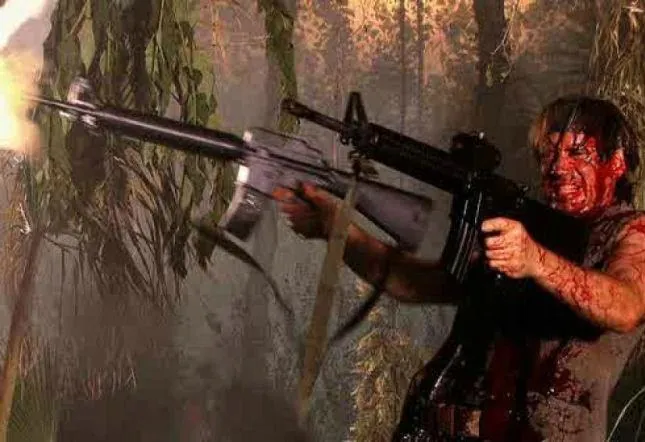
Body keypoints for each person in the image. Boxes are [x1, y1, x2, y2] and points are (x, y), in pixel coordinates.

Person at [273, 95, 645, 441]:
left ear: (616, 162)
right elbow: (413, 284)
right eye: (548, 155)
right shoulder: (532, 233)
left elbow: (626, 306)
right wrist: (337, 228)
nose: (558, 168)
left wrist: (535, 261)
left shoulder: (631, 232)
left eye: (577, 153)